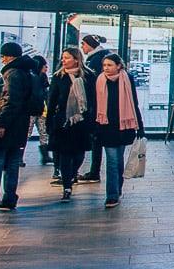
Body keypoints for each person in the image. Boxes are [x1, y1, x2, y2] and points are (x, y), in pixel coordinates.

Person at [46, 48, 97, 202]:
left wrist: (93, 120)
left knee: (79, 152)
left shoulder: (88, 76)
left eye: (67, 58)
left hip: (82, 121)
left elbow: (93, 99)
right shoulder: (58, 77)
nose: (63, 60)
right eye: (63, 57)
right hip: (63, 121)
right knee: (65, 154)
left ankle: (73, 173)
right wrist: (50, 120)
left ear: (76, 59)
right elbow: (52, 100)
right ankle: (67, 185)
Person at [95, 54, 144, 208]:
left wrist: (140, 126)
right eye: (104, 65)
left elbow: (134, 102)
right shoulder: (100, 81)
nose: (106, 68)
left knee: (118, 160)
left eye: (109, 65)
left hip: (124, 125)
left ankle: (117, 187)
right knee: (112, 160)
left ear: (118, 66)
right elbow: (94, 104)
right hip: (106, 125)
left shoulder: (127, 79)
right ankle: (112, 195)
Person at [0, 43, 35, 211]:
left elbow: (10, 101)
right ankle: (10, 197)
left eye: (4, 55)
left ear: (10, 56)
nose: (2, 59)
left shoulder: (11, 74)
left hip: (9, 124)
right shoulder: (27, 72)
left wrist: (1, 123)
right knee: (12, 162)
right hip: (21, 124)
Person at [80, 35, 107, 183]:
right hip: (98, 104)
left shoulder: (95, 60)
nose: (82, 48)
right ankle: (94, 170)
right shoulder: (99, 57)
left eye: (83, 44)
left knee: (96, 138)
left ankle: (94, 171)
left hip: (96, 105)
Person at [27, 56, 51, 167]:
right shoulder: (34, 78)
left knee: (43, 132)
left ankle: (45, 156)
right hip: (34, 109)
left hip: (41, 109)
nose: (46, 68)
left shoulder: (41, 77)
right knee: (29, 132)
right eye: (44, 66)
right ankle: (45, 156)